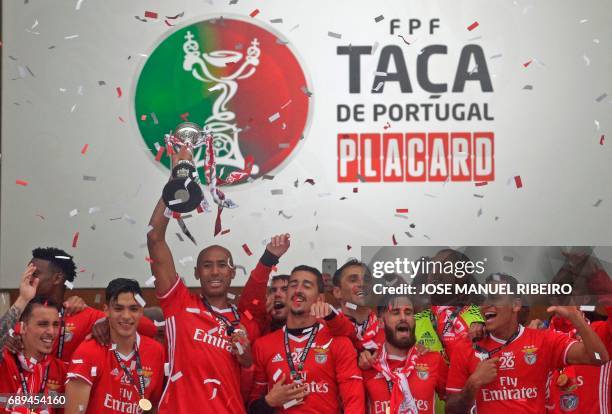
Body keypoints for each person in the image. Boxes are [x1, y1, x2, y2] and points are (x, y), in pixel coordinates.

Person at [146, 147, 290, 413]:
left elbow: (249, 383)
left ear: (233, 272)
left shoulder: (247, 321)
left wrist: (245, 360)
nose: (215, 272)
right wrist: (174, 185)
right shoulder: (178, 303)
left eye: (222, 266)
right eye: (207, 266)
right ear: (197, 273)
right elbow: (154, 238)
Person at [446, 273, 610, 414]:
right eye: (484, 298)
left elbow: (598, 358)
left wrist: (575, 318)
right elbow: (451, 410)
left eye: (495, 297)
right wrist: (473, 384)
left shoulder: (543, 340)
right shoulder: (467, 346)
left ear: (516, 305)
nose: (486, 304)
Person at [248, 265, 365, 413]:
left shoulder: (338, 342)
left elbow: (354, 401)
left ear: (320, 298)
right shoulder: (263, 345)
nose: (298, 290)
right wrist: (269, 401)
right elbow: (251, 405)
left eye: (307, 286)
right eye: (293, 285)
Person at [7, 248, 157, 362]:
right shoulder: (23, 317)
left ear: (57, 278)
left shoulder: (84, 314)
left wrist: (108, 321)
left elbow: (150, 329)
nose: (27, 278)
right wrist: (7, 340)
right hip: (30, 399)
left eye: (35, 273)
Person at [65, 278, 165, 414]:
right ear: (106, 311)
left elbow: (152, 407)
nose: (126, 316)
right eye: (118, 308)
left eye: (133, 309)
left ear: (141, 311)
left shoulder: (156, 351)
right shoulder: (88, 351)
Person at [361, 295, 448, 414]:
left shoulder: (433, 359)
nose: (403, 317)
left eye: (408, 312)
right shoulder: (367, 363)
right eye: (395, 312)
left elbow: (457, 402)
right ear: (381, 322)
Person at [0, 265, 66, 414]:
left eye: (55, 324)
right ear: (22, 327)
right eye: (43, 324)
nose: (51, 331)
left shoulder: (61, 371)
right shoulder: (5, 362)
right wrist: (23, 299)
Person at [322, 260, 385, 351]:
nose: (362, 284)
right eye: (353, 280)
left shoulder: (387, 329)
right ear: (337, 292)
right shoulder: (324, 326)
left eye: (366, 280)